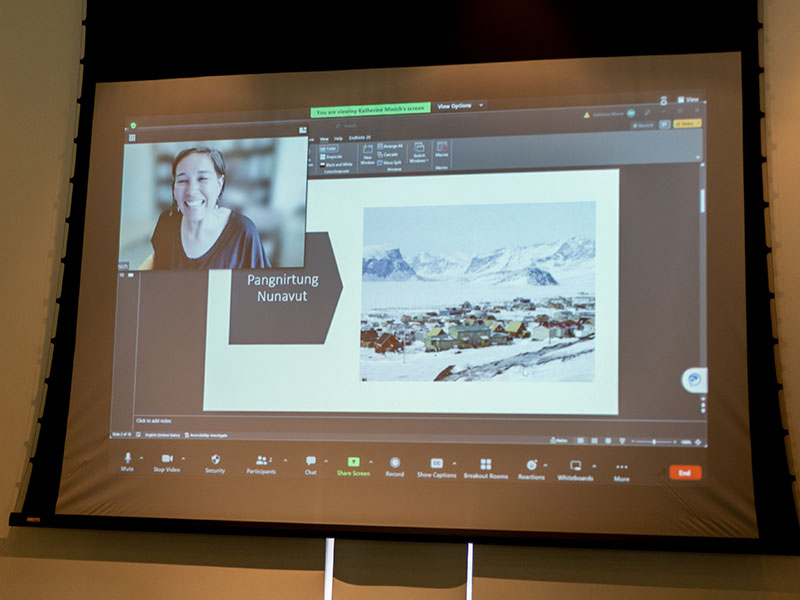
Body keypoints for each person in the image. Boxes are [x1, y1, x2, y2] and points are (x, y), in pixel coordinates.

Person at [145, 146, 271, 269]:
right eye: (182, 180)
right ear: (173, 188)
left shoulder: (242, 231)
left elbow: (260, 282)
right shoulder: (166, 223)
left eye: (202, 179)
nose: (191, 191)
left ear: (219, 184)